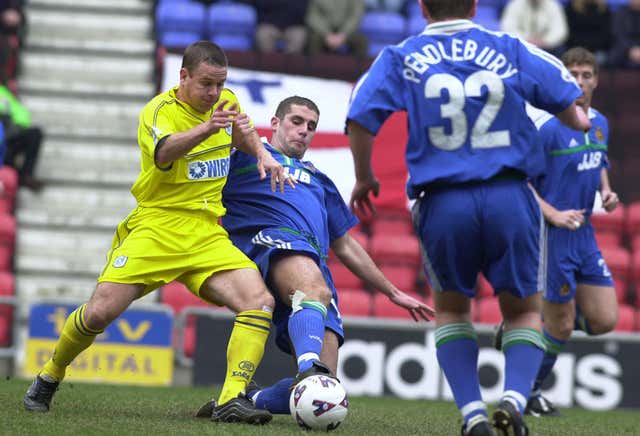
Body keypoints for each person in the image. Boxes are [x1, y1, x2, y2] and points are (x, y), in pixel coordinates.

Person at [346, 1, 591, 435]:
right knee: (522, 313)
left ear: (422, 7)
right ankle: (515, 400)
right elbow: (575, 113)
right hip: (510, 196)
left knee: (454, 312)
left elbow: (360, 115)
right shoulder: (511, 47)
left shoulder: (400, 56)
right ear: (475, 5)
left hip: (443, 201)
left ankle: (474, 416)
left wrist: (364, 178)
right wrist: (575, 118)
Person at [22, 41, 291, 425]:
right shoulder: (158, 111)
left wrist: (262, 153)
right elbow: (164, 153)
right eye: (206, 84)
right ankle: (50, 374)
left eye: (220, 84)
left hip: (205, 232)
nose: (214, 93)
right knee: (100, 312)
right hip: (158, 226)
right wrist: (207, 127)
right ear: (183, 76)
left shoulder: (225, 101)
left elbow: (241, 132)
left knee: (258, 301)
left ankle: (232, 397)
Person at [195, 96, 434, 418]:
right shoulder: (244, 158)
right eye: (296, 121)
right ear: (276, 123)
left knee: (326, 388)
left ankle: (250, 398)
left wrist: (392, 292)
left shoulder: (320, 180)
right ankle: (308, 366)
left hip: (311, 260)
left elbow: (345, 245)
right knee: (313, 293)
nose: (304, 131)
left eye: (311, 126)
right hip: (268, 245)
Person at [509, 47, 619, 417]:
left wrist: (605, 190)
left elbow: (598, 158)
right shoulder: (548, 128)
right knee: (564, 323)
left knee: (604, 322)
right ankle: (526, 393)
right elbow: (518, 181)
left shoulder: (600, 122)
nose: (580, 81)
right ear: (563, 79)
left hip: (584, 234)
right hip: (551, 236)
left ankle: (535, 327)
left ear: (597, 80)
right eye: (573, 74)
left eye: (587, 75)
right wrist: (552, 213)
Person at [0, 83, 44, 191]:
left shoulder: (2, 92)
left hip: (7, 137)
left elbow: (23, 116)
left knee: (34, 134)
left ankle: (25, 176)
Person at [500, 0, 568, 57]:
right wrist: (525, 40)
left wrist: (545, 41)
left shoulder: (554, 5)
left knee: (559, 48)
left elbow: (560, 31)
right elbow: (508, 28)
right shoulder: (515, 5)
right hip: (521, 46)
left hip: (547, 48)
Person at [564, 0, 612, 66]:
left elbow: (606, 34)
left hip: (597, 49)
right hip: (575, 47)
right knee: (573, 60)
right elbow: (568, 33)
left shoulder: (604, 9)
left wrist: (592, 47)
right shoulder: (571, 7)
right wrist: (582, 47)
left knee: (600, 60)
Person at [609, 0, 640, 68]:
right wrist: (630, 49)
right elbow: (618, 34)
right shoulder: (621, 12)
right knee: (613, 57)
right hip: (624, 47)